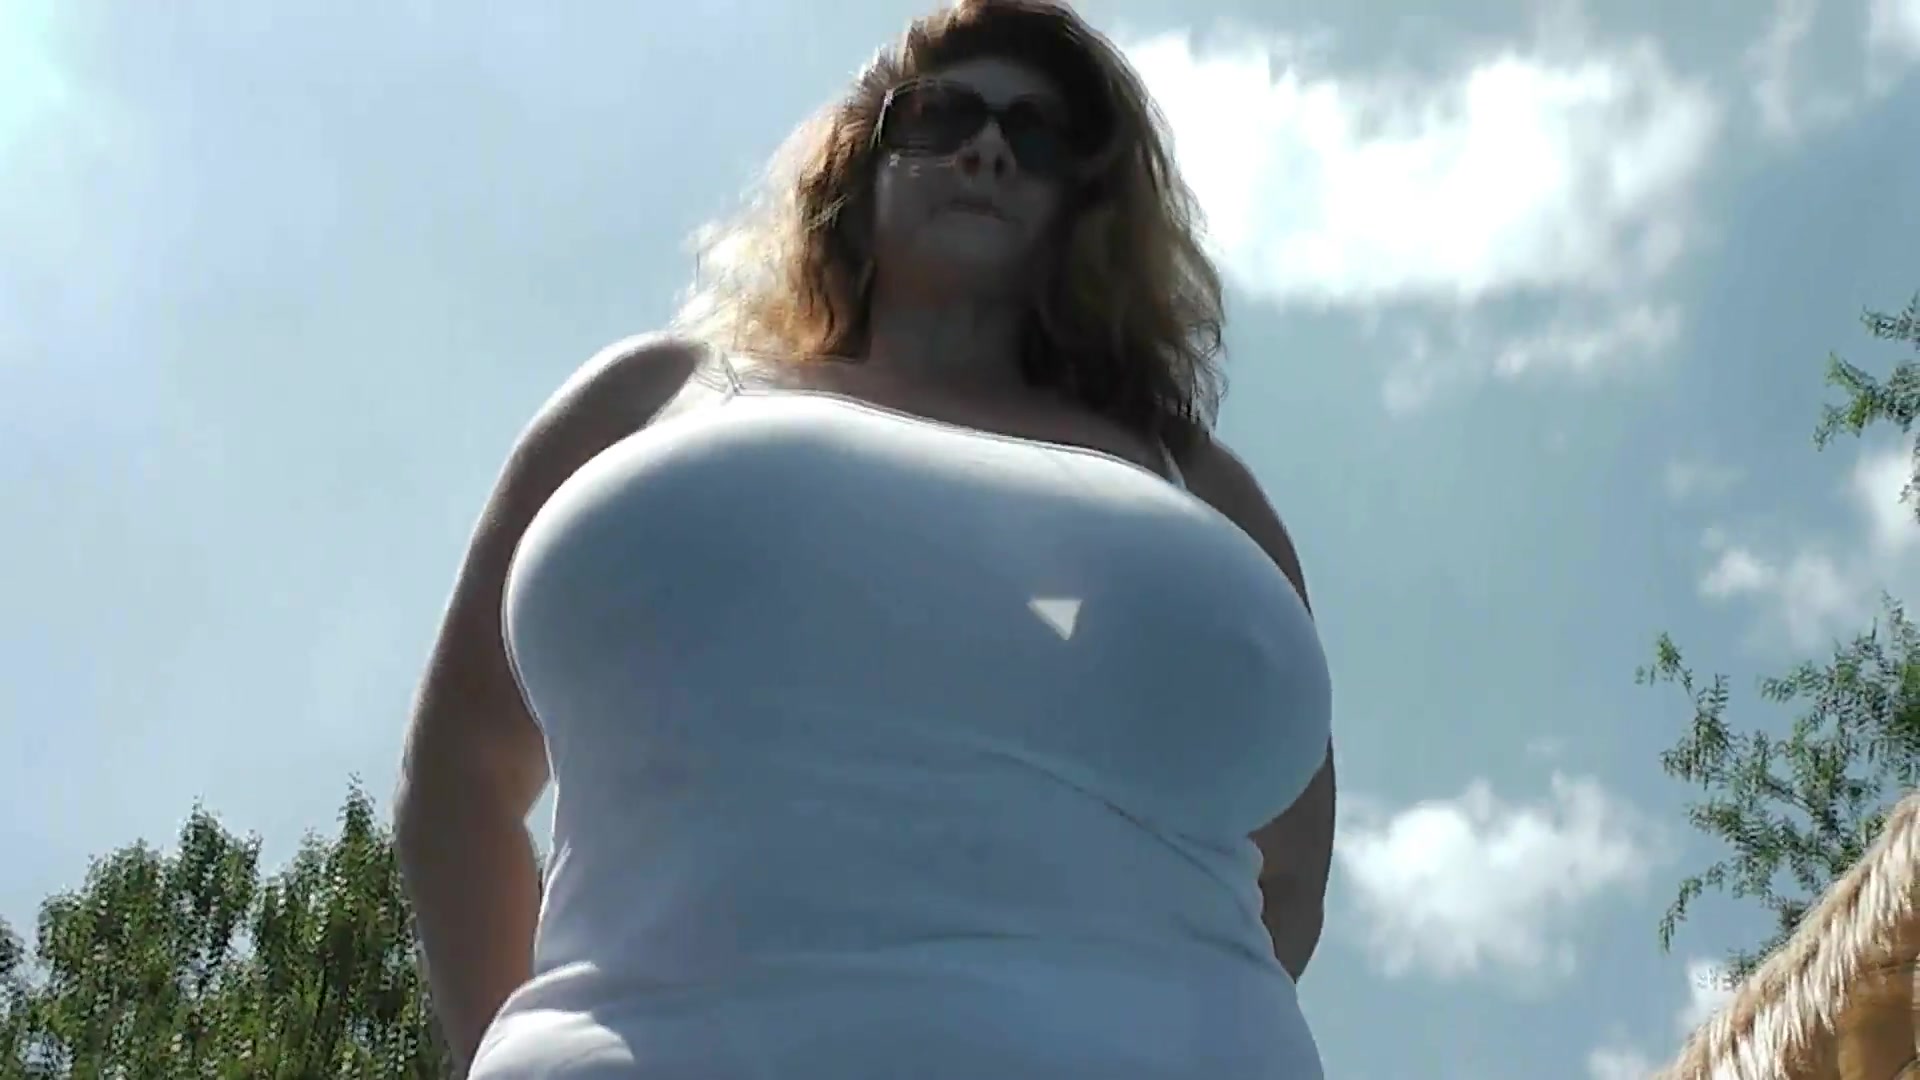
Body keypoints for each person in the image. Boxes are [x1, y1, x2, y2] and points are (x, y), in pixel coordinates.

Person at [394, 1, 1337, 1076]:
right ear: (863, 162)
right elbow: (462, 773)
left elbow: (1287, 872)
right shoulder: (657, 395)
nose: (986, 150)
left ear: (1088, 200)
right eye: (940, 117)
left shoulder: (1198, 484)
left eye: (1035, 136)